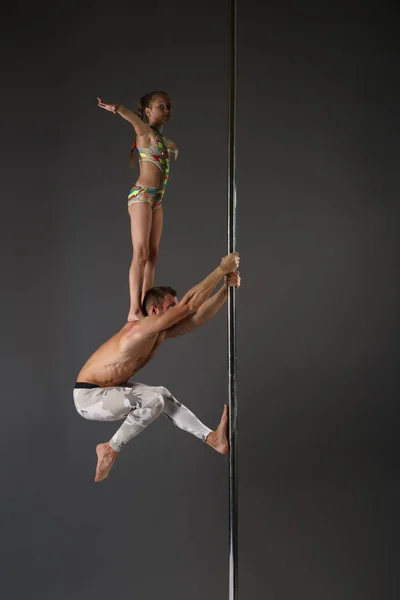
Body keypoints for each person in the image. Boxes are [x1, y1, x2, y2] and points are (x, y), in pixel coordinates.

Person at [74, 252, 240, 482]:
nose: (176, 309)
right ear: (154, 311)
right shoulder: (140, 329)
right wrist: (221, 270)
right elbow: (190, 306)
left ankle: (212, 438)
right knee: (153, 401)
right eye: (171, 305)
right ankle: (109, 449)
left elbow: (196, 318)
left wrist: (225, 288)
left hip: (108, 391)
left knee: (161, 394)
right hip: (88, 397)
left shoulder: (159, 332)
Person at [97, 92, 179, 321]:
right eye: (161, 106)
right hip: (142, 196)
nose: (167, 110)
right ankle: (134, 310)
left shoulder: (162, 140)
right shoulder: (145, 133)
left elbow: (167, 143)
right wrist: (117, 108)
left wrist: (173, 146)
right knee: (141, 253)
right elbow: (133, 119)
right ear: (148, 111)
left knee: (153, 255)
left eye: (168, 106)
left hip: (157, 199)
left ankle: (145, 303)